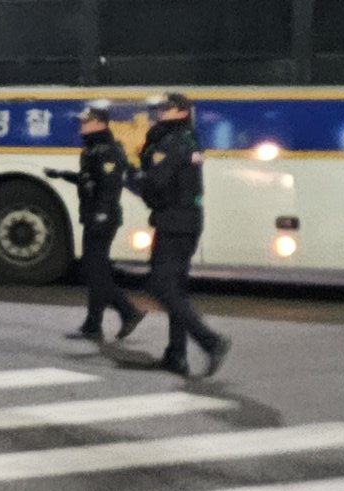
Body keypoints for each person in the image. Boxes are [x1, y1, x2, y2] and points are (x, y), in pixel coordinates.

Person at [129, 90, 231, 378]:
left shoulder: (175, 143)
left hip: (175, 222)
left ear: (183, 111)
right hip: (184, 221)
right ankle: (176, 355)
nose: (160, 111)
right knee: (175, 289)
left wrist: (136, 178)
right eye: (160, 107)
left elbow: (156, 182)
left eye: (167, 108)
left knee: (160, 286)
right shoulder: (185, 139)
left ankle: (210, 342)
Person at [49, 101, 144, 342]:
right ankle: (93, 325)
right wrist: (63, 175)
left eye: (87, 121)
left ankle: (128, 311)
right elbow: (88, 180)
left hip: (103, 217)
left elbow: (110, 187)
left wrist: (100, 215)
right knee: (95, 270)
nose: (81, 125)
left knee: (94, 271)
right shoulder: (92, 148)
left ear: (100, 123)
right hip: (93, 215)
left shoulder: (108, 150)